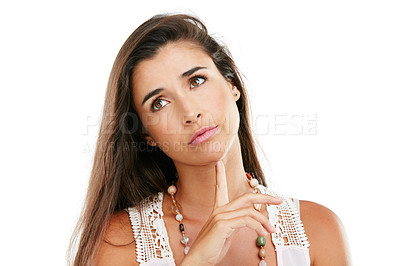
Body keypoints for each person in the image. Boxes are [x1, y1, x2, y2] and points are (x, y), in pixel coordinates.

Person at [69, 13, 351, 266]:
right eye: (159, 103)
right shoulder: (119, 242)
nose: (190, 113)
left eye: (196, 81)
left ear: (232, 85)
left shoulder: (318, 230)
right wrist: (198, 260)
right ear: (147, 135)